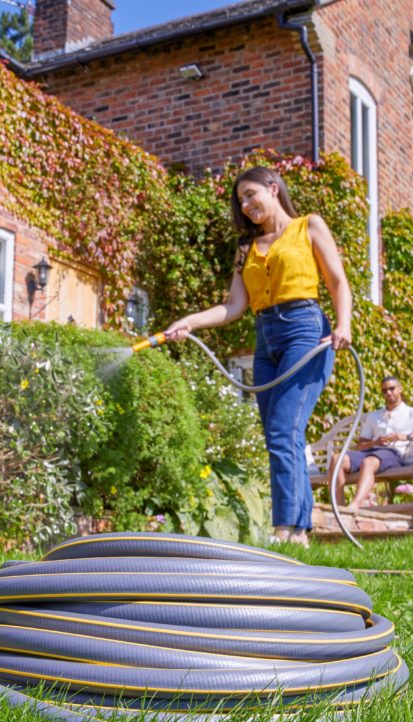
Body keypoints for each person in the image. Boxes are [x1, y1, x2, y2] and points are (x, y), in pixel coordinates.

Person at [163, 166, 353, 547]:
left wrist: (343, 325)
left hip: (305, 328)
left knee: (284, 430)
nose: (246, 205)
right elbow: (233, 307)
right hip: (265, 338)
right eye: (240, 201)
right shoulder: (245, 249)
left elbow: (337, 281)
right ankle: (299, 532)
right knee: (280, 434)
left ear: (272, 187)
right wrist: (191, 322)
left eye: (250, 195)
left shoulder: (308, 226)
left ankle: (285, 529)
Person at [328, 376, 413, 510]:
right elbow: (360, 446)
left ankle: (355, 505)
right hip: (371, 452)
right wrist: (376, 442)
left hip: (394, 453)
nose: (388, 392)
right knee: (336, 459)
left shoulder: (412, 413)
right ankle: (339, 508)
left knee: (369, 462)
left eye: (392, 388)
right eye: (384, 391)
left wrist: (406, 436)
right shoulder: (374, 416)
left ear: (400, 389)